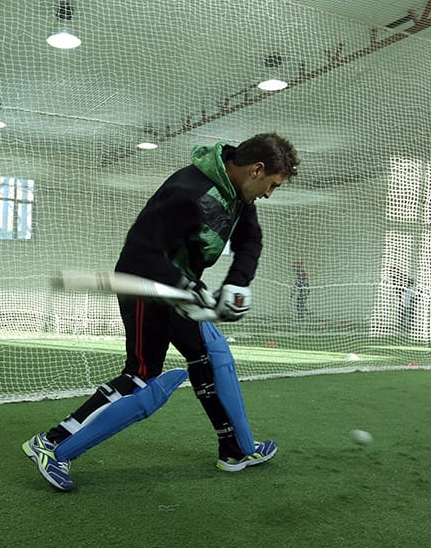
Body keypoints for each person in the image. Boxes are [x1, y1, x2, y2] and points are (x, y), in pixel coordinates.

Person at [22, 132, 300, 491]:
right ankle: (52, 444)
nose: (268, 194)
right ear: (257, 170)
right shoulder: (187, 191)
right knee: (141, 377)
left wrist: (237, 282)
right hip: (145, 288)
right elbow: (141, 251)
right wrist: (187, 288)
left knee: (209, 358)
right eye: (272, 185)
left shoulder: (239, 196)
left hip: (180, 292)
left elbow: (250, 240)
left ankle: (234, 450)